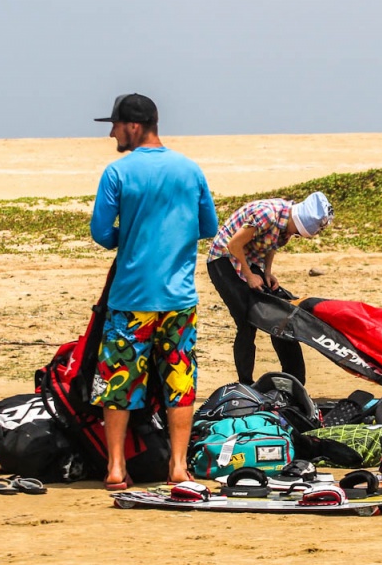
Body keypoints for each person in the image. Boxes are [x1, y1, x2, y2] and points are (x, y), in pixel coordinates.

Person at [89, 93, 219, 488]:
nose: (111, 132)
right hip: (178, 300)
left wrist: (126, 237)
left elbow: (100, 232)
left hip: (131, 299)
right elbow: (209, 227)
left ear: (133, 126)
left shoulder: (117, 172)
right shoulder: (190, 169)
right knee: (180, 379)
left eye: (114, 125)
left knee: (119, 381)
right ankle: (178, 467)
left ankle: (115, 468)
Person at [206, 193, 334, 385]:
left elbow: (271, 244)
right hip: (223, 259)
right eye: (297, 233)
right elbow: (234, 245)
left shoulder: (286, 223)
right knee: (246, 323)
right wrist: (249, 275)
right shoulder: (267, 215)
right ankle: (245, 383)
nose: (293, 236)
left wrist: (267, 272)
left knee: (283, 314)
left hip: (249, 259)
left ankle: (294, 379)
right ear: (297, 222)